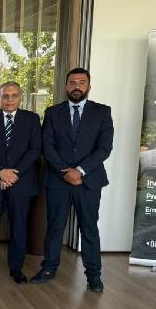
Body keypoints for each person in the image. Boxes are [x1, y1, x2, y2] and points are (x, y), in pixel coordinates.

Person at [31, 68, 114, 293]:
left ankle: (94, 275)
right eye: (72, 82)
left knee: (89, 228)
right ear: (66, 86)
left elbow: (104, 148)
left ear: (89, 86)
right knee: (55, 226)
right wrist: (65, 171)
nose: (77, 86)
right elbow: (47, 145)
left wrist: (80, 171)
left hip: (89, 181)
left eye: (81, 82)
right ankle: (49, 268)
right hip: (58, 180)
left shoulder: (102, 112)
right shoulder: (52, 112)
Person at [0, 81, 42, 284]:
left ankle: (16, 268)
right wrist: (0, 172)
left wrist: (13, 174)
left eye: (14, 95)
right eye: (5, 96)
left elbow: (35, 150)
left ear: (21, 97)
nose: (10, 99)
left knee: (19, 227)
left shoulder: (32, 119)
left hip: (21, 183)